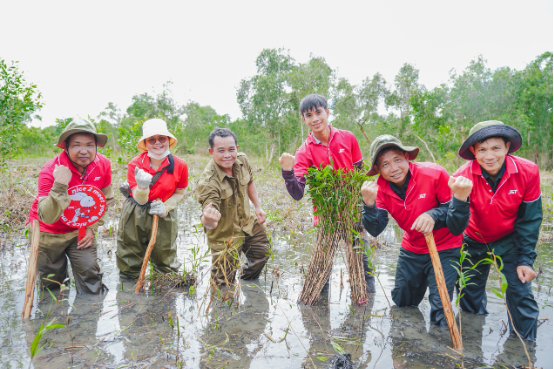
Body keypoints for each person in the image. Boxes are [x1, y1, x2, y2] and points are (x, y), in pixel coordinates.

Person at [361, 134, 473, 326]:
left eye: (397, 160)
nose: (394, 168)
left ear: (406, 157)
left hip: (445, 246)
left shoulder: (434, 173)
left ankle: (442, 352)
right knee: (403, 303)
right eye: (385, 164)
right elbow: (376, 228)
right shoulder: (378, 187)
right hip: (412, 247)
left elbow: (452, 212)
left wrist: (432, 215)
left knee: (441, 308)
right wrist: (368, 205)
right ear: (378, 169)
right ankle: (407, 346)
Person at [453, 120, 542, 341]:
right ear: (473, 151)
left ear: (507, 147)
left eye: (496, 148)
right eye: (482, 149)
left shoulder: (528, 171)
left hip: (509, 238)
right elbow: (455, 226)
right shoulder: (461, 177)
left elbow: (529, 220)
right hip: (473, 238)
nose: (489, 156)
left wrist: (526, 260)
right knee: (468, 294)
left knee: (520, 292)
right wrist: (460, 199)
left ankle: (524, 351)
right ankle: (471, 347)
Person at [279, 93, 375, 293]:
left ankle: (364, 310)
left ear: (327, 112)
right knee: (320, 275)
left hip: (353, 215)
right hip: (326, 219)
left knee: (363, 271)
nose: (315, 119)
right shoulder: (304, 152)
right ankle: (318, 321)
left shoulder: (348, 138)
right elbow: (297, 194)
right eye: (308, 115)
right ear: (303, 119)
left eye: (318, 112)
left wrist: (363, 208)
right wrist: (287, 172)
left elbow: (359, 174)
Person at [26, 119, 113, 294]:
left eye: (89, 145)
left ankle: (89, 316)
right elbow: (48, 216)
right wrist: (60, 185)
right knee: (52, 285)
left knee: (91, 277)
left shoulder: (103, 164)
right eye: (76, 145)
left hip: (79, 230)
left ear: (96, 146)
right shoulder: (49, 171)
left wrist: (91, 226)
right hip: (47, 233)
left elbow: (105, 199)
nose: (84, 151)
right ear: (66, 147)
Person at [195, 128, 269, 284]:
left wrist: (257, 207)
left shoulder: (242, 160)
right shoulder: (208, 181)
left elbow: (250, 182)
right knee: (223, 281)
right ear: (211, 152)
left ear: (237, 148)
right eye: (220, 151)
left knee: (262, 253)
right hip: (225, 234)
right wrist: (208, 218)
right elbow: (209, 210)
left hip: (247, 221)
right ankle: (223, 305)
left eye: (231, 149)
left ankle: (246, 285)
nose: (227, 155)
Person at [116, 118, 188, 279]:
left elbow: (180, 191)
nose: (158, 143)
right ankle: (130, 296)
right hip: (136, 210)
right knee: (130, 255)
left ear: (168, 140)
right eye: (152, 139)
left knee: (165, 257)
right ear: (145, 143)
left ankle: (164, 295)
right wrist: (142, 187)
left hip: (164, 210)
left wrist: (167, 207)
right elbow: (140, 200)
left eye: (162, 138)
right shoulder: (135, 164)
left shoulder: (180, 165)